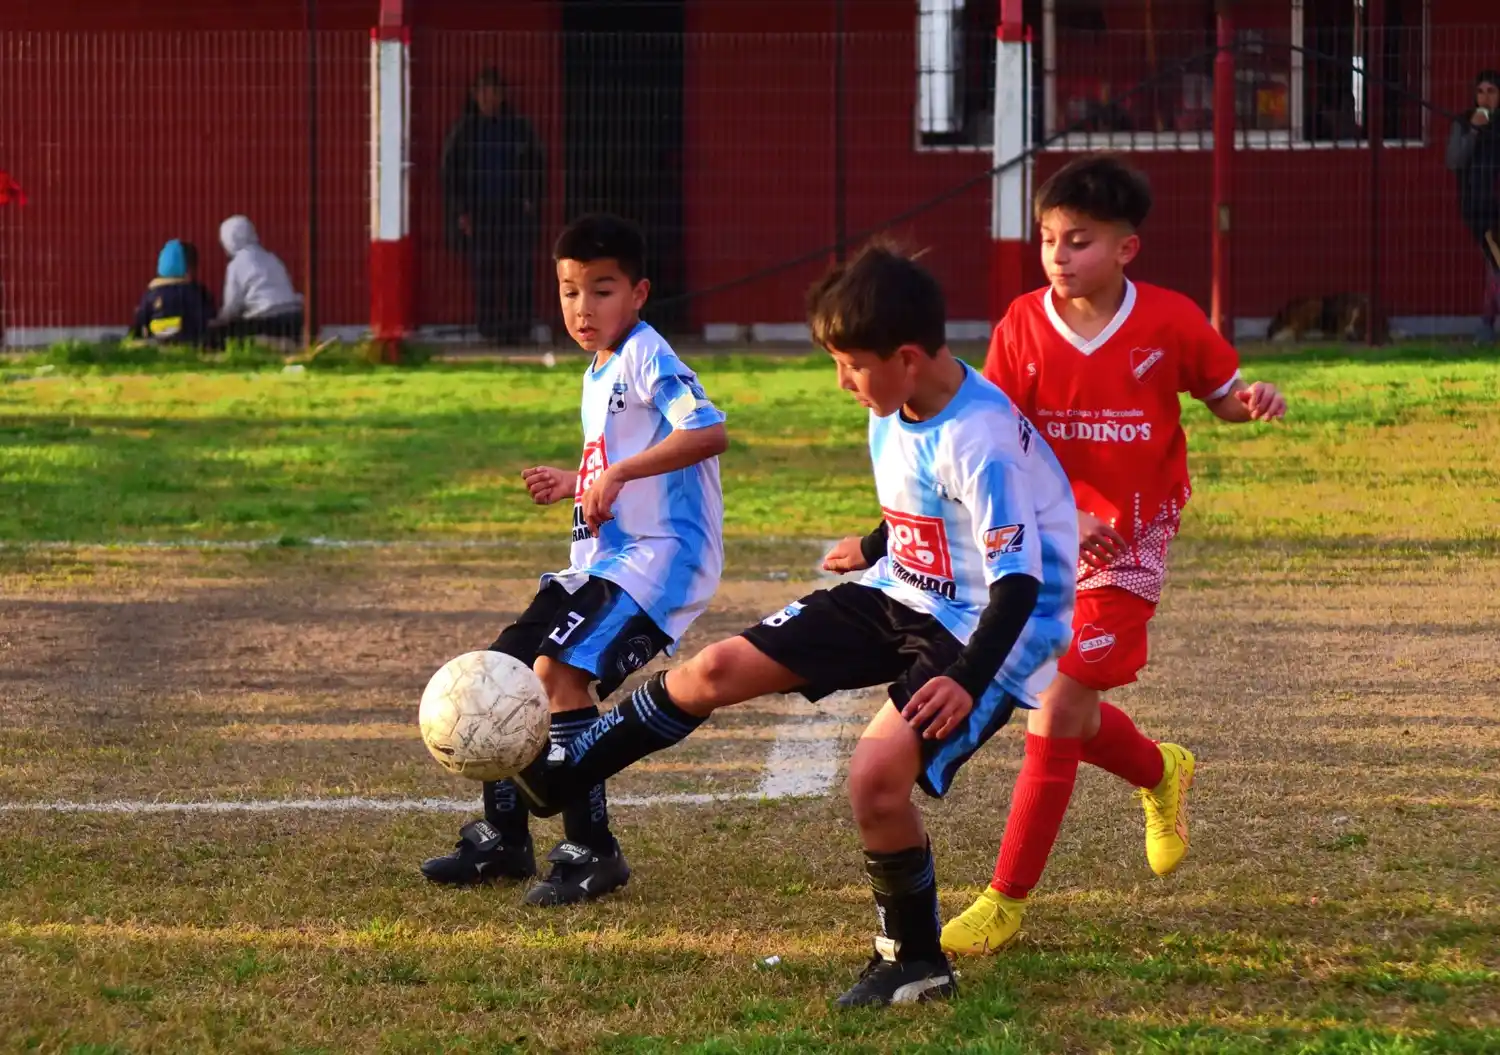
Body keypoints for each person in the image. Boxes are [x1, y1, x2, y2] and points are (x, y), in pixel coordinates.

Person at [509, 243, 1079, 1008]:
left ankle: (915, 958)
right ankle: (559, 779)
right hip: (905, 587)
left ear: (907, 358)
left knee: (876, 779)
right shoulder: (901, 402)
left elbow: (1017, 578)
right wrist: (876, 543)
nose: (841, 381)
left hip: (991, 629)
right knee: (712, 671)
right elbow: (927, 494)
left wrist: (966, 677)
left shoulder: (980, 437)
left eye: (850, 365)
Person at [939, 154, 1287, 958]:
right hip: (1047, 533)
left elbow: (1222, 400)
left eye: (1080, 240)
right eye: (1049, 240)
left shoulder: (1169, 319)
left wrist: (1251, 402)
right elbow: (998, 439)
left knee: (1057, 707)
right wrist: (1062, 509)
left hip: (1133, 537)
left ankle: (1005, 898)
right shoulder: (1021, 325)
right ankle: (1162, 769)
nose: (1059, 255)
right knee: (1069, 705)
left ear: (1127, 248)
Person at [420, 213, 728, 906]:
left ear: (639, 293)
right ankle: (504, 838)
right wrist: (578, 480)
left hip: (659, 560)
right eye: (569, 292)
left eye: (602, 290)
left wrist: (614, 478)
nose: (583, 308)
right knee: (502, 669)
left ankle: (594, 851)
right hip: (604, 559)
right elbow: (623, 456)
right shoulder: (600, 369)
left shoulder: (648, 352)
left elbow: (708, 430)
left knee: (558, 676)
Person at [441, 67, 546, 345]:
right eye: (483, 92)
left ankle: (518, 328)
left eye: (493, 92)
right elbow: (451, 172)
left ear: (502, 96)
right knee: (484, 270)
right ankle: (489, 329)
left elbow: (536, 165)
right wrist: (461, 210)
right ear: (474, 96)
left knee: (518, 268)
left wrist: (530, 199)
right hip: (479, 211)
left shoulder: (518, 128)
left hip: (514, 209)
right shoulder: (464, 132)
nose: (488, 98)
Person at [1446, 69, 1500, 345]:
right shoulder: (1464, 121)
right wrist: (1475, 131)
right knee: (1496, 262)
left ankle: (1486, 326)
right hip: (1479, 205)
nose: (1485, 97)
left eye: (1491, 91)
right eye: (1481, 91)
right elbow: (1455, 161)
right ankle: (1486, 325)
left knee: (1495, 266)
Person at [209, 216, 304, 345]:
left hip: (265, 319)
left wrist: (219, 321)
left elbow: (232, 306)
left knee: (222, 333)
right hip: (293, 315)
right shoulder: (271, 257)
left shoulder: (236, 264)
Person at [127, 239, 215, 346]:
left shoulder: (150, 293)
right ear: (189, 268)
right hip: (188, 341)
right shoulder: (195, 291)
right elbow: (208, 317)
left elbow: (140, 320)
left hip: (156, 341)